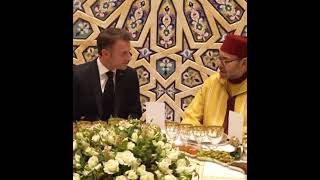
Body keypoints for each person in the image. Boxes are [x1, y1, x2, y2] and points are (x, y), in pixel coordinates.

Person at [181, 34, 247, 134]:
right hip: (208, 147)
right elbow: (189, 119)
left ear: (244, 63)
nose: (220, 65)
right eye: (219, 58)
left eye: (226, 61)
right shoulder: (212, 83)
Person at [73, 28, 142, 121]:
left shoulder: (130, 75)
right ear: (105, 53)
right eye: (124, 53)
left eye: (129, 52)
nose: (129, 58)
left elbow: (135, 113)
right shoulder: (78, 76)